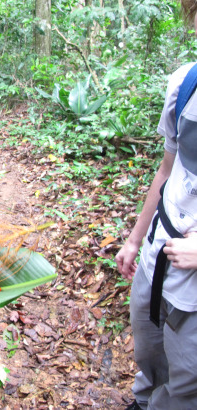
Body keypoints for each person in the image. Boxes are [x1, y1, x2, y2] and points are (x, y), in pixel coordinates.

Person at [115, 2, 197, 408]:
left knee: (188, 381)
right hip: (158, 247)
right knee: (149, 351)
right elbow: (167, 168)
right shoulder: (186, 83)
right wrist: (134, 240)